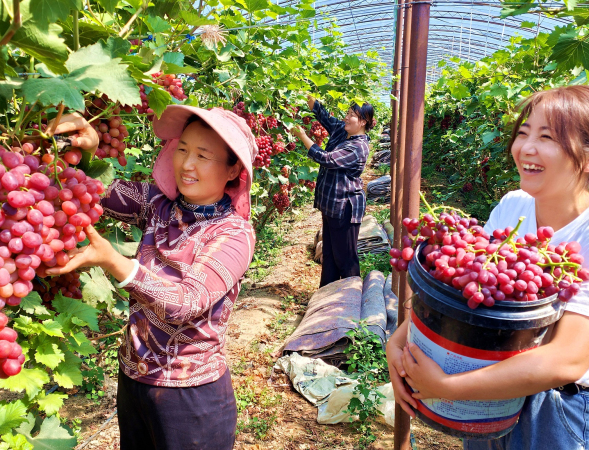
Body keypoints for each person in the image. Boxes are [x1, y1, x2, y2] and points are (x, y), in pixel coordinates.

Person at [386, 85, 589, 450]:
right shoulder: (513, 207)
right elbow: (468, 295)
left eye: (547, 137)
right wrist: (398, 344)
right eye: (523, 133)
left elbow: (568, 358)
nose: (526, 148)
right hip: (488, 390)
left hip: (556, 410)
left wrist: (448, 387)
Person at [46, 106, 257, 450]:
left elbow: (186, 303)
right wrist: (86, 151)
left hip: (191, 399)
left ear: (233, 169)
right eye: (183, 149)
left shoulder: (234, 234)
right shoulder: (157, 204)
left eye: (203, 155)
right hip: (134, 382)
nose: (187, 164)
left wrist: (116, 263)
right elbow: (95, 191)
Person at [291, 95, 374, 287]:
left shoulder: (358, 146)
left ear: (362, 121)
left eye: (351, 115)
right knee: (329, 255)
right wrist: (306, 95)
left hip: (344, 207)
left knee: (345, 259)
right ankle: (326, 295)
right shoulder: (342, 131)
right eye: (347, 113)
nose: (346, 117)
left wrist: (302, 136)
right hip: (331, 205)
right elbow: (324, 116)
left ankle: (350, 300)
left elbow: (326, 159)